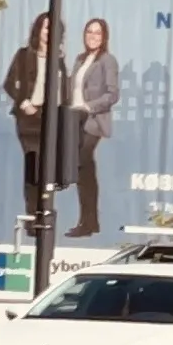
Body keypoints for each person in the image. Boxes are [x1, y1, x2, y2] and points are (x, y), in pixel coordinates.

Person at [4, 12, 61, 215]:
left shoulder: (59, 59)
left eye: (54, 29)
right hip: (29, 117)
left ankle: (45, 209)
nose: (49, 32)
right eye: (46, 27)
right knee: (33, 162)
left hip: (51, 117)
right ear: (38, 30)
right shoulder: (24, 55)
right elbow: (9, 84)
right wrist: (23, 102)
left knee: (50, 166)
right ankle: (32, 213)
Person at [69, 16, 120, 237]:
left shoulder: (107, 60)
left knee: (82, 164)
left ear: (104, 36)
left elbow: (112, 94)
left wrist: (90, 106)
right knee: (84, 171)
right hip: (74, 118)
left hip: (92, 120)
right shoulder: (80, 59)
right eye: (89, 31)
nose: (92, 36)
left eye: (97, 32)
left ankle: (88, 222)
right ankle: (89, 222)